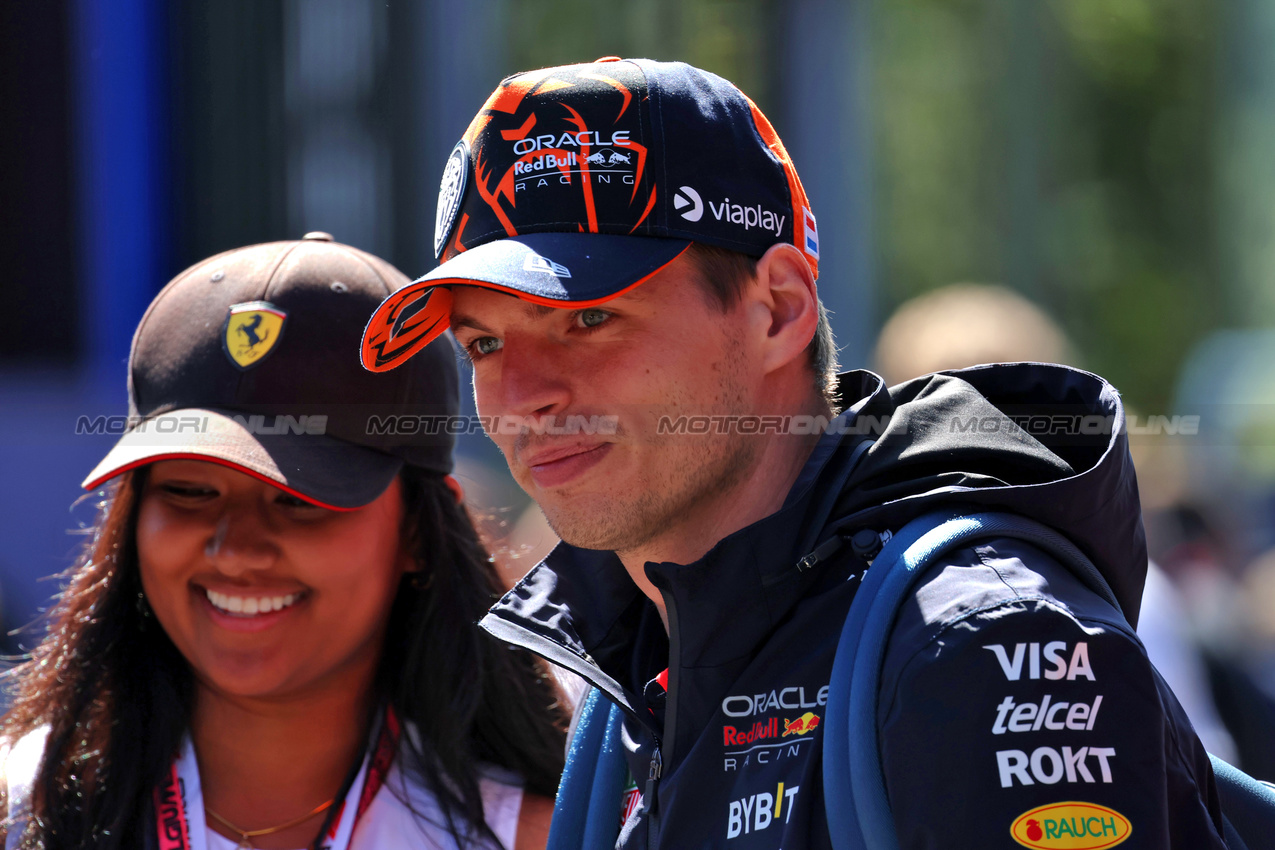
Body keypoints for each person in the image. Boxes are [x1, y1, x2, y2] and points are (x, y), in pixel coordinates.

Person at [360, 59, 1229, 848]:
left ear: (776, 308)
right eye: (481, 346)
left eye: (588, 319)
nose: (520, 398)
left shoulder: (976, 643)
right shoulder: (629, 662)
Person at [0, 233, 566, 850]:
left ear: (417, 535)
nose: (237, 549)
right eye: (190, 492)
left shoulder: (537, 837)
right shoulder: (20, 809)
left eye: (300, 500)